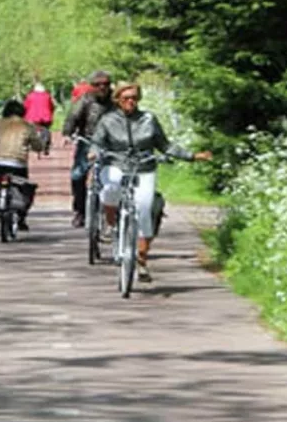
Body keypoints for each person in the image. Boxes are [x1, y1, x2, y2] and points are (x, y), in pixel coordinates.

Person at [88, 83, 212, 282]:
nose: (131, 101)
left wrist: (192, 156)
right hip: (115, 164)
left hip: (143, 168)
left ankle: (141, 257)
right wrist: (94, 152)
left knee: (145, 207)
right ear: (118, 100)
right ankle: (112, 225)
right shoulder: (108, 120)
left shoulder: (149, 120)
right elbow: (97, 141)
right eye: (126, 97)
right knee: (110, 189)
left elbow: (165, 145)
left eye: (134, 98)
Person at [0, 99, 46, 230]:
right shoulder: (27, 126)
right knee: (23, 188)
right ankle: (21, 218)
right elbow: (37, 145)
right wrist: (38, 147)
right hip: (18, 163)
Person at [61, 70, 112, 228]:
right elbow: (73, 116)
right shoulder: (85, 99)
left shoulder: (116, 100)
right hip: (88, 141)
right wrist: (67, 134)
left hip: (111, 143)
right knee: (77, 175)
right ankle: (80, 211)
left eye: (105, 84)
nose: (102, 87)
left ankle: (113, 211)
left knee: (115, 176)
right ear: (92, 86)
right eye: (98, 84)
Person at [22, 81, 55, 155]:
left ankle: (27, 145)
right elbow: (52, 106)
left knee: (29, 130)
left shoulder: (30, 96)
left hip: (32, 118)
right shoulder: (47, 96)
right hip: (46, 117)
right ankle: (47, 145)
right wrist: (51, 112)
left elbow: (25, 106)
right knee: (46, 129)